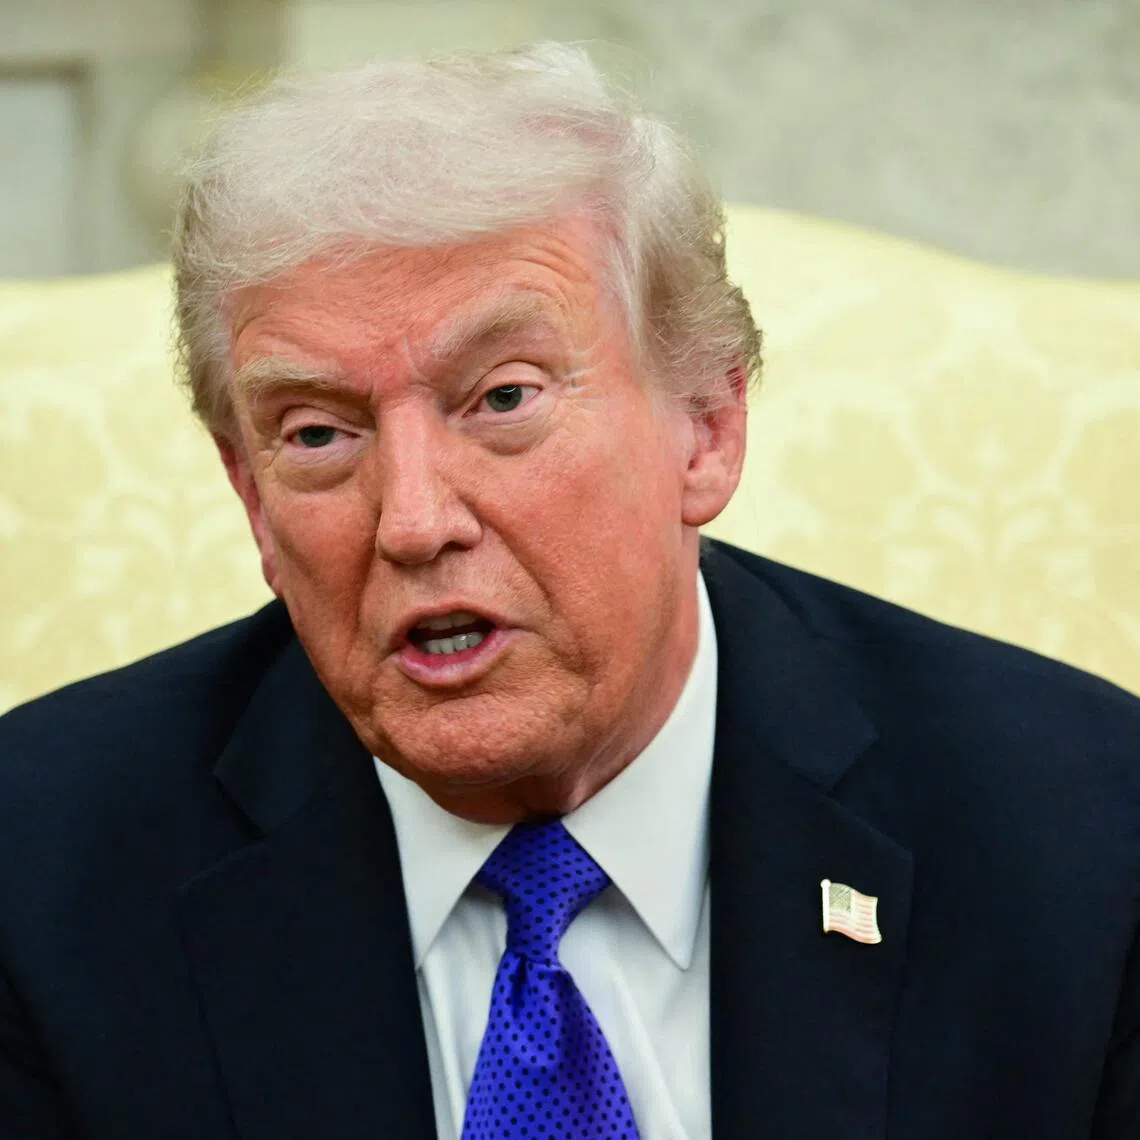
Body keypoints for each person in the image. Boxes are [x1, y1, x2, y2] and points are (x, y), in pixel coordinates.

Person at [1, 41, 1138, 1140]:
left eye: (503, 398)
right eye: (317, 433)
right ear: (252, 497)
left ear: (707, 426)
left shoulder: (1081, 839)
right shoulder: (39, 880)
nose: (414, 521)